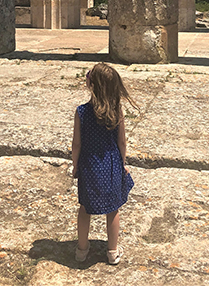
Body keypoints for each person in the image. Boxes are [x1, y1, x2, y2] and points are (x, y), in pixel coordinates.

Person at [71, 62, 138, 265]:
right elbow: (122, 142)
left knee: (85, 208)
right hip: (110, 165)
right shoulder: (117, 111)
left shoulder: (81, 112)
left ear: (91, 85)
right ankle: (112, 251)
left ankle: (82, 250)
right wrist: (122, 163)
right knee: (113, 208)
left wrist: (76, 166)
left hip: (89, 165)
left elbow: (76, 144)